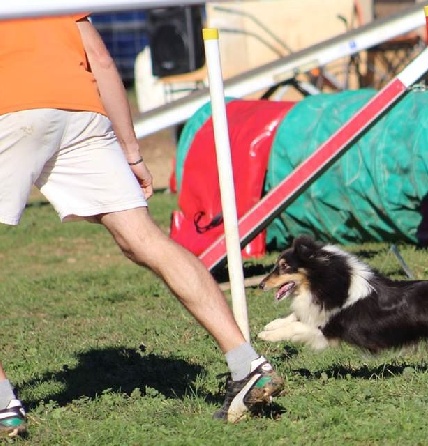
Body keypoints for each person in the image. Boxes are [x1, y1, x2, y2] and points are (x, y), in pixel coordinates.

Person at [0, 13, 283, 436]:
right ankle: (247, 365)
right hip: (81, 113)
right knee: (143, 239)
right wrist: (132, 152)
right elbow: (102, 60)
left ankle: (4, 407)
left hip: (12, 109)